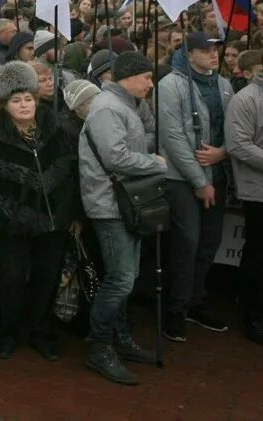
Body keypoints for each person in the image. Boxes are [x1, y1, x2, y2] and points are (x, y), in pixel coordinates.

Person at [0, 61, 78, 362]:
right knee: (11, 281)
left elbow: (71, 175)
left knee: (47, 280)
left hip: (53, 223)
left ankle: (41, 332)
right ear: (4, 105)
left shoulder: (58, 131)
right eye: (16, 100)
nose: (24, 104)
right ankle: (8, 334)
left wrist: (69, 215)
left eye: (28, 98)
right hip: (12, 223)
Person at [79, 52, 166, 385]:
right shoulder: (107, 108)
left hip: (128, 203)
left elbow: (141, 138)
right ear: (129, 76)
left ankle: (121, 338)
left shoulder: (128, 104)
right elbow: (116, 157)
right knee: (121, 280)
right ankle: (99, 347)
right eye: (146, 78)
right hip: (110, 205)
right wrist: (155, 163)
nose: (150, 84)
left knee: (126, 278)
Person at [156, 33, 233, 340]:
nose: (213, 54)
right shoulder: (170, 85)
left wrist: (223, 152)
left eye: (215, 49)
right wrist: (200, 181)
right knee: (186, 243)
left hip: (218, 172)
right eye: (205, 50)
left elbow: (233, 128)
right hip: (180, 177)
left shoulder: (223, 85)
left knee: (208, 244)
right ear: (189, 55)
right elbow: (172, 137)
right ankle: (174, 309)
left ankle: (195, 302)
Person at [225, 57, 263, 345]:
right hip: (257, 190)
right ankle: (253, 314)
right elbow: (239, 144)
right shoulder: (246, 99)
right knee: (258, 253)